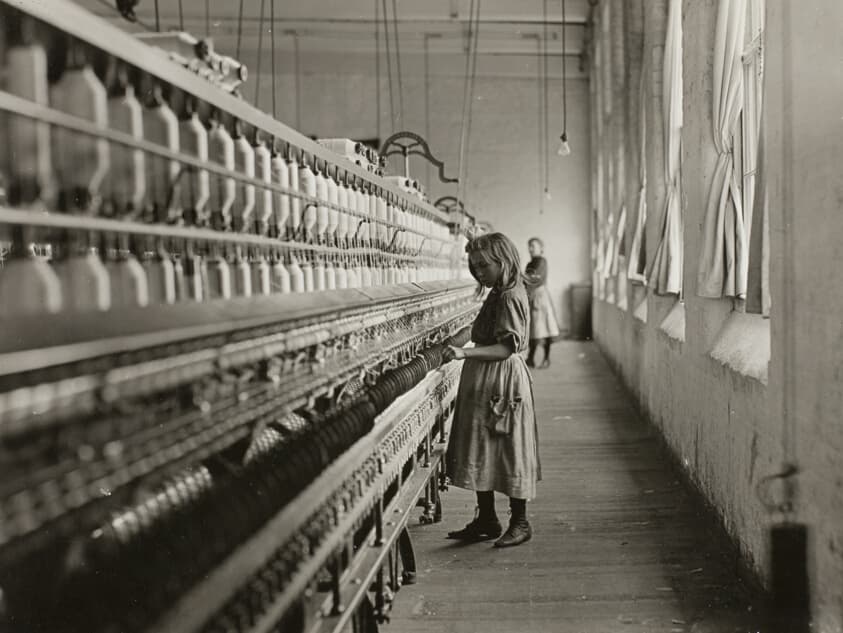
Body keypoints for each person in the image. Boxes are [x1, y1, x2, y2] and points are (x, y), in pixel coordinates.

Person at [443, 232, 541, 547]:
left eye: (484, 266)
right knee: (481, 445)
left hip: (502, 379)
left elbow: (505, 349)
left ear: (504, 260)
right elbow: (483, 329)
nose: (479, 273)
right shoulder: (500, 291)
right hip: (486, 379)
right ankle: (486, 519)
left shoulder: (511, 295)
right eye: (474, 267)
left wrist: (464, 353)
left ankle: (520, 522)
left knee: (509, 448)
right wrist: (459, 335)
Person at [524, 237, 560, 368]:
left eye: (533, 246)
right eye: (529, 246)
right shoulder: (530, 264)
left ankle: (546, 358)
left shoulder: (541, 262)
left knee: (544, 328)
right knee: (534, 328)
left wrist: (522, 277)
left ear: (541, 248)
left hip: (540, 297)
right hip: (533, 297)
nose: (530, 248)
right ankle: (531, 358)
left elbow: (535, 279)